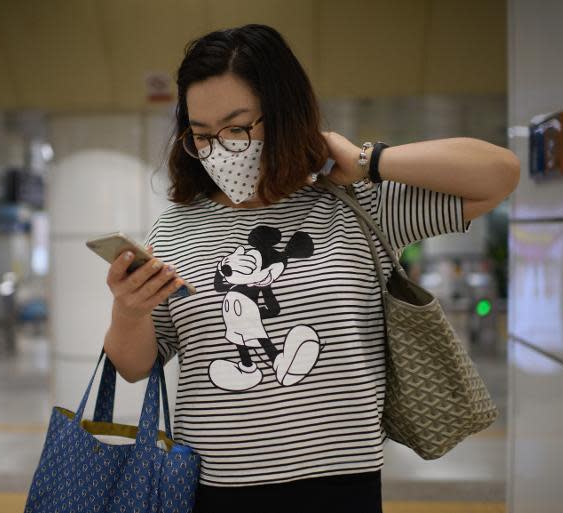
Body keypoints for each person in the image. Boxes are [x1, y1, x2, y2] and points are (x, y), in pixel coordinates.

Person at [103, 24, 519, 513]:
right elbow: (134, 367)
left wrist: (369, 160)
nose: (221, 148)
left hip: (341, 480)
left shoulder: (357, 205)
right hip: (217, 485)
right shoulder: (177, 229)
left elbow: (499, 176)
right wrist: (127, 311)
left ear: (283, 114)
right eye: (201, 135)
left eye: (237, 128)